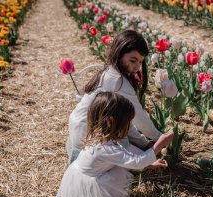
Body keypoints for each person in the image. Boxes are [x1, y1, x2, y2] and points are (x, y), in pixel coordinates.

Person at [56, 92, 173, 197]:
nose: (129, 127)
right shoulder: (106, 148)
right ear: (111, 122)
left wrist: (149, 163)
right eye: (127, 123)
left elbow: (128, 155)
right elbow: (135, 162)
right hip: (89, 187)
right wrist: (159, 145)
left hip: (80, 178)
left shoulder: (99, 136)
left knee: (118, 171)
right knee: (118, 176)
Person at [66, 29, 163, 163]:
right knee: (133, 161)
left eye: (140, 62)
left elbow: (124, 121)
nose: (136, 67)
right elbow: (138, 118)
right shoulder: (118, 81)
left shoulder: (109, 71)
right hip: (87, 137)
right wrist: (159, 138)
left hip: (78, 128)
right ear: (119, 53)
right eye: (133, 60)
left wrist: (143, 143)